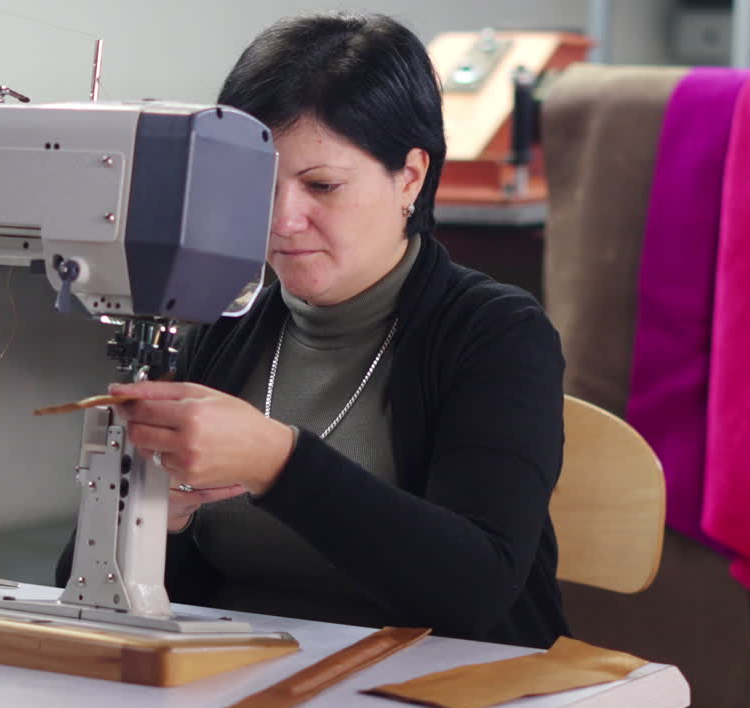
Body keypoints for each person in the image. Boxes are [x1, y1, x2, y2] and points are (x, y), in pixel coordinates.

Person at [57, 12, 568, 648]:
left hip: (439, 686)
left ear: (410, 175)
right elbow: (80, 584)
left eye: (321, 186)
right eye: (258, 187)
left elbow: (477, 589)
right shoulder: (221, 325)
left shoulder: (497, 335)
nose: (282, 220)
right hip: (244, 679)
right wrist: (156, 518)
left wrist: (279, 463)